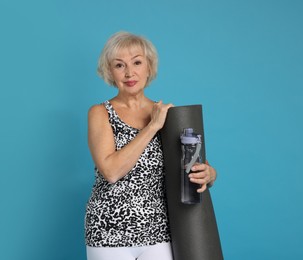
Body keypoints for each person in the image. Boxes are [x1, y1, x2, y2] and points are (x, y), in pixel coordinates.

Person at [85, 31, 217, 260]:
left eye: (137, 62)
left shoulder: (167, 114)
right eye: (119, 65)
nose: (129, 73)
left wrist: (210, 174)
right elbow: (111, 172)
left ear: (149, 66)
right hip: (108, 232)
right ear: (110, 71)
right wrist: (151, 128)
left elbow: (187, 168)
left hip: (159, 232)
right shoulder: (100, 113)